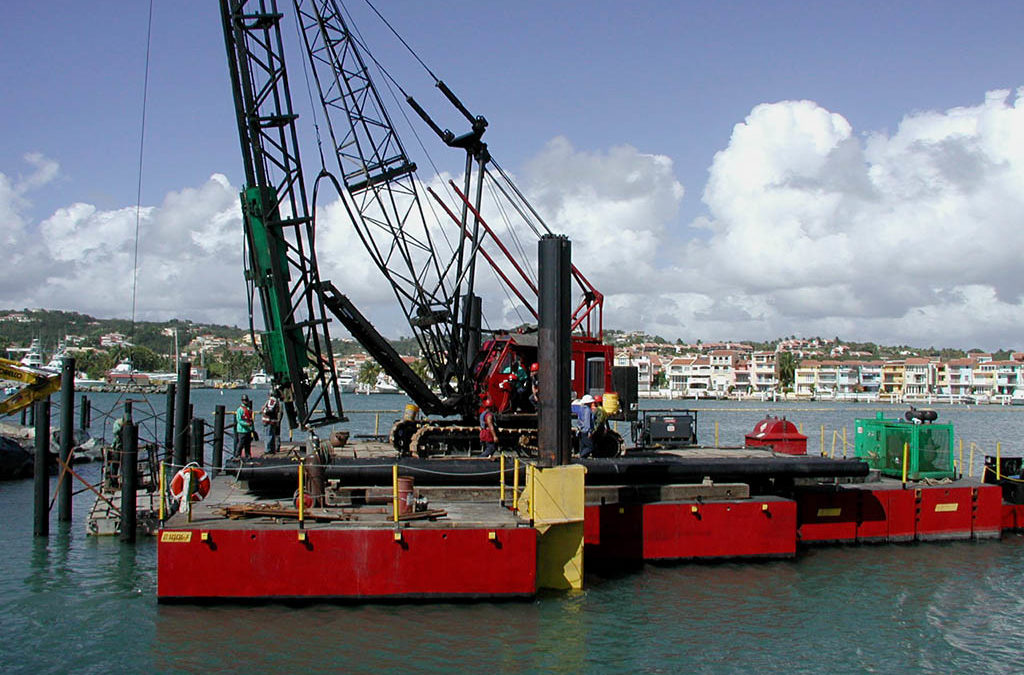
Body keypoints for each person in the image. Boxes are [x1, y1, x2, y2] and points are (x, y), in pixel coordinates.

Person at [260, 389, 283, 454]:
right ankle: (272, 449)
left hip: (268, 420)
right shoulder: (277, 401)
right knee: (272, 435)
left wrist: (263, 410)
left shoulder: (272, 400)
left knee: (268, 435)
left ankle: (267, 449)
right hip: (273, 421)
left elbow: (270, 409)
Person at [575, 394, 595, 458]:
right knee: (590, 446)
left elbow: (579, 420)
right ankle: (581, 455)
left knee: (582, 446)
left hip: (580, 430)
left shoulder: (580, 409)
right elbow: (587, 421)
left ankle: (582, 458)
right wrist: (589, 431)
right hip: (585, 431)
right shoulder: (587, 410)